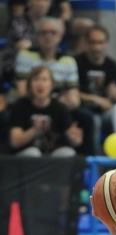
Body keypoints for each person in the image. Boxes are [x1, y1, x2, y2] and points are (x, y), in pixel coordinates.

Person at [15, 16, 95, 155]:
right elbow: (23, 93)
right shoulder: (25, 56)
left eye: (53, 33)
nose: (48, 36)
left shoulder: (68, 61)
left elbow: (74, 101)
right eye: (44, 32)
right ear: (37, 35)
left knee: (87, 118)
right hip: (30, 106)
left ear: (61, 36)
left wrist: (51, 102)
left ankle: (87, 165)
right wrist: (53, 97)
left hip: (59, 110)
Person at [9, 64, 81, 155]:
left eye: (44, 80)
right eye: (36, 80)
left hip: (52, 153)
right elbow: (14, 142)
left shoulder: (60, 108)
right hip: (27, 154)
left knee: (68, 153)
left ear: (52, 85)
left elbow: (75, 142)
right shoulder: (20, 106)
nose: (40, 84)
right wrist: (34, 130)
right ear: (30, 85)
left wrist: (74, 138)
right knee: (33, 153)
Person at [76, 25, 116, 148]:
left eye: (100, 42)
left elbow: (114, 91)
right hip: (82, 109)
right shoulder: (76, 62)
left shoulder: (112, 65)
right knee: (94, 120)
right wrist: (95, 99)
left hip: (105, 110)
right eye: (93, 42)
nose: (97, 47)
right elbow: (71, 92)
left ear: (106, 44)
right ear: (86, 44)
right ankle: (97, 161)